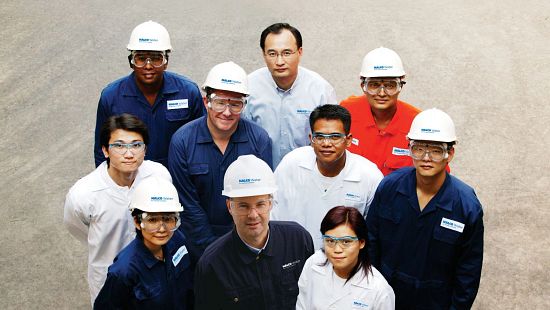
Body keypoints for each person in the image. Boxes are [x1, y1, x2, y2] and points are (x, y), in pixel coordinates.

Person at [366, 108, 484, 309]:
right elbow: (371, 243)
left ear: (450, 153)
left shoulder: (465, 206)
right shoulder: (390, 187)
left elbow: (468, 271)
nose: (426, 158)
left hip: (435, 302)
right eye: (419, 149)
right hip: (387, 295)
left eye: (436, 150)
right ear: (409, 149)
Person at [64, 114, 171, 304]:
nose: (129, 154)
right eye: (119, 146)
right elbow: (79, 230)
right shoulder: (84, 194)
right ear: (105, 150)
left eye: (136, 145)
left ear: (145, 149)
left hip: (154, 277)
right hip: (109, 281)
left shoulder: (159, 175)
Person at [168, 62, 272, 256]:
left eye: (235, 104)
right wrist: (213, 252)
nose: (227, 111)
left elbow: (261, 199)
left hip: (247, 244)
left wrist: (243, 247)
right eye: (219, 102)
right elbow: (188, 206)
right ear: (206, 100)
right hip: (197, 247)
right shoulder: (182, 142)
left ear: (244, 104)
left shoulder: (259, 140)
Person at [194, 155, 314, 310]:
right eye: (243, 206)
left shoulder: (297, 240)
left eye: (260, 204)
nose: (253, 214)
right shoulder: (212, 264)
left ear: (270, 203)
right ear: (230, 207)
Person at [94, 20, 205, 168]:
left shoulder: (188, 92)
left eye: (155, 58)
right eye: (140, 59)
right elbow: (101, 150)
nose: (148, 66)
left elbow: (201, 141)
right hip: (129, 179)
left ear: (166, 61)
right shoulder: (111, 97)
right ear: (131, 61)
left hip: (176, 179)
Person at [272, 104, 383, 248]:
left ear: (348, 140)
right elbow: (272, 211)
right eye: (319, 137)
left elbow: (374, 232)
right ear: (311, 138)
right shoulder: (292, 164)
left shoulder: (369, 175)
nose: (326, 143)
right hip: (293, 256)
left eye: (335, 137)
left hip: (345, 262)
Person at [244, 22, 337, 168]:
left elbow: (332, 139)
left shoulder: (321, 90)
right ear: (263, 54)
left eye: (287, 53)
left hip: (307, 176)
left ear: (300, 52)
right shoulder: (248, 87)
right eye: (272, 54)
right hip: (260, 177)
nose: (279, 61)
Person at [94, 177, 194, 309]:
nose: (162, 229)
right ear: (137, 222)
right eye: (152, 220)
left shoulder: (178, 241)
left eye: (168, 219)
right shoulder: (124, 271)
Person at [340, 47, 421, 175]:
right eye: (374, 85)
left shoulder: (416, 122)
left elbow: (435, 176)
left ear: (401, 86)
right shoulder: (347, 111)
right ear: (363, 86)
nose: (382, 93)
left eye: (390, 85)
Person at [296, 206, 394, 310]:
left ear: (361, 243)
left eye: (346, 241)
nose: (337, 249)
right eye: (330, 241)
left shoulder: (379, 289)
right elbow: (302, 306)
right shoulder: (313, 264)